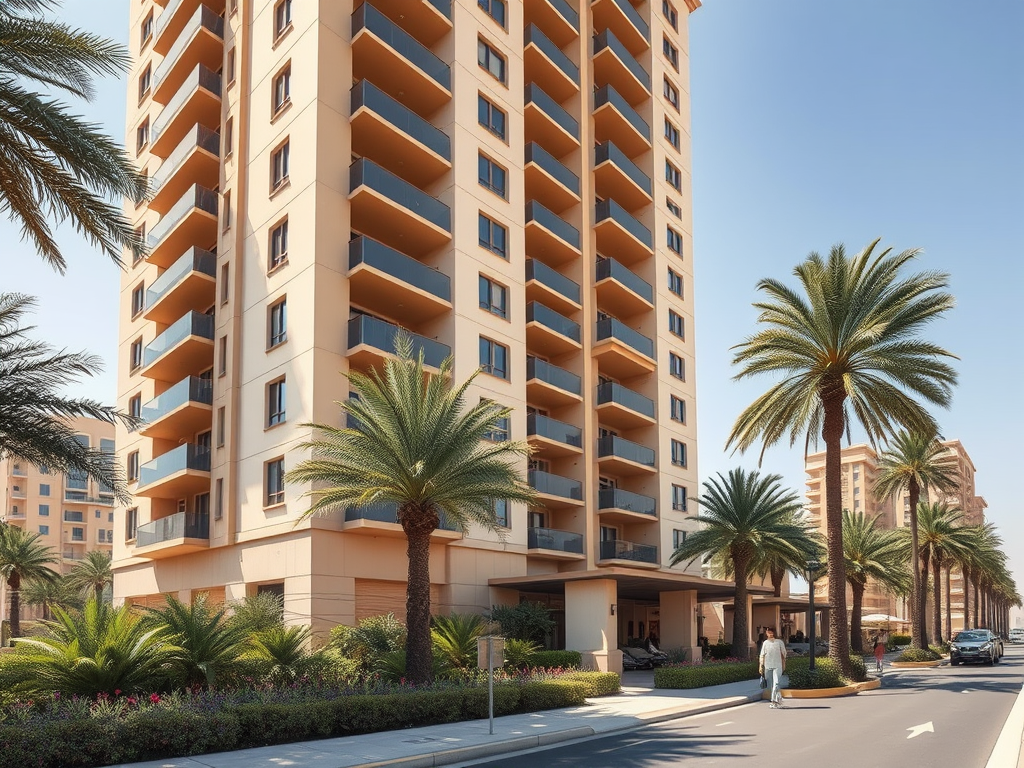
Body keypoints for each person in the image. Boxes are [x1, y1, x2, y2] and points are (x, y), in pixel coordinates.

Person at [759, 626, 787, 709]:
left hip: (777, 666)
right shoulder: (765, 643)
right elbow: (762, 655)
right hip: (768, 666)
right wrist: (761, 665)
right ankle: (778, 699)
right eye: (768, 632)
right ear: (766, 633)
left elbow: (784, 653)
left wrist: (784, 663)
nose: (770, 633)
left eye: (771, 632)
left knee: (776, 683)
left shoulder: (779, 642)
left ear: (774, 633)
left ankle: (773, 700)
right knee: (771, 685)